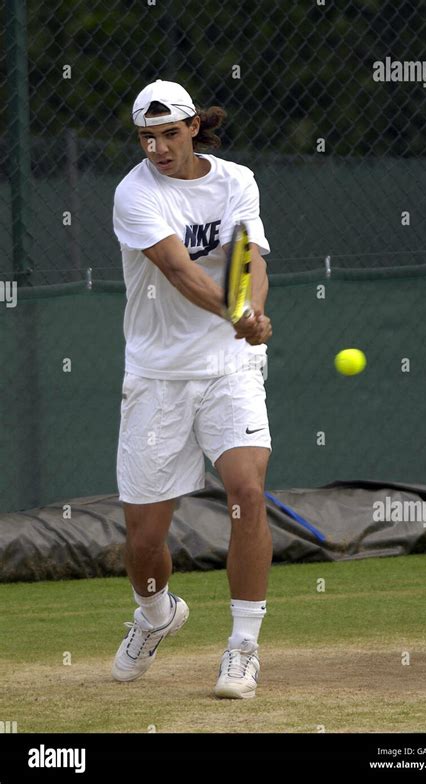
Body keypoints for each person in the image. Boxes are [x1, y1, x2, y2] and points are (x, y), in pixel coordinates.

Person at [111, 79, 273, 699]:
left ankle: (243, 647)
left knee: (248, 491)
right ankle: (155, 616)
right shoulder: (133, 194)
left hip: (229, 370)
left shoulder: (237, 180)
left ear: (194, 128)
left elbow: (250, 258)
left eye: (168, 134)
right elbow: (180, 272)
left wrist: (252, 315)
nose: (155, 147)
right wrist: (240, 318)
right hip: (156, 376)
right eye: (146, 137)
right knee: (146, 539)